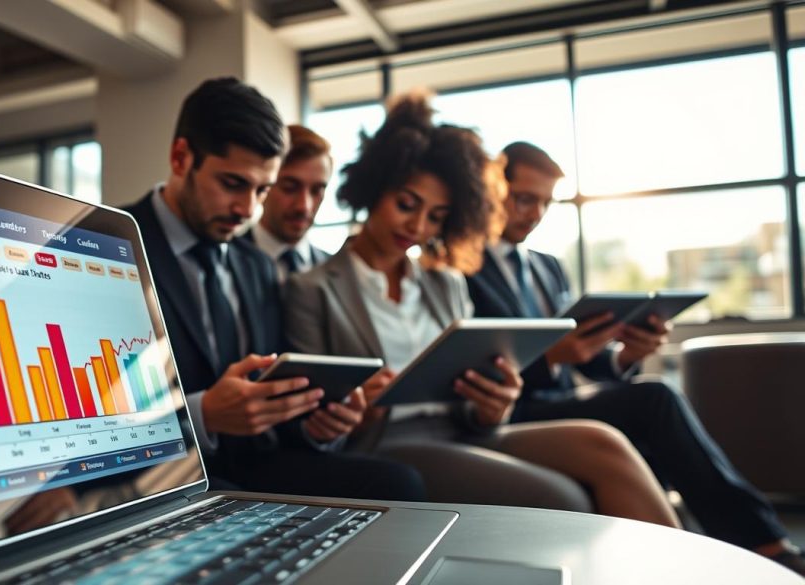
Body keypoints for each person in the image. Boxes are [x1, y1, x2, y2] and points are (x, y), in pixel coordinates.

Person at [285, 92, 679, 527]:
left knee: (607, 444)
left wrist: (494, 403)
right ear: (375, 189)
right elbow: (311, 422)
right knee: (565, 498)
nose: (417, 228)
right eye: (406, 205)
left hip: (468, 430)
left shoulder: (447, 283)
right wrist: (360, 408)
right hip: (387, 442)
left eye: (436, 216)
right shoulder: (311, 289)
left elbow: (478, 397)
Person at [465, 140, 804, 573]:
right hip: (516, 409)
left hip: (561, 400)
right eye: (524, 199)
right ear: (493, 190)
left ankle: (719, 548)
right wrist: (551, 359)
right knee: (655, 399)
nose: (534, 214)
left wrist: (625, 355)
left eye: (546, 203)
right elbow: (473, 367)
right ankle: (762, 544)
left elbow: (585, 358)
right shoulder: (462, 269)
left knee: (649, 403)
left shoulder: (547, 266)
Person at [120, 77, 426, 501]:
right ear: (180, 158)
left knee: (400, 483)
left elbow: (274, 390)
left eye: (262, 189)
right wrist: (202, 413)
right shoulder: (113, 245)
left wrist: (315, 422)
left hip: (257, 465)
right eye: (232, 184)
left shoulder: (256, 266)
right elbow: (98, 411)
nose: (247, 209)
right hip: (173, 472)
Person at [242, 124, 332, 283]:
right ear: (263, 186)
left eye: (317, 191)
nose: (304, 206)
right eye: (289, 188)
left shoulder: (335, 271)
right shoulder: (222, 263)